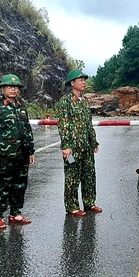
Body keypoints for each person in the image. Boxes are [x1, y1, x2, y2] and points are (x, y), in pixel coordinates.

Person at [0, 74, 36, 229]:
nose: (14, 89)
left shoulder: (21, 106)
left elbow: (27, 129)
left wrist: (31, 151)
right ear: (3, 88)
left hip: (22, 153)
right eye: (10, 86)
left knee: (20, 184)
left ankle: (15, 213)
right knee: (2, 185)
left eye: (16, 87)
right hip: (4, 154)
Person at [55, 69, 101, 216]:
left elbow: (88, 124)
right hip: (73, 149)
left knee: (89, 175)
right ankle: (72, 206)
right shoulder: (64, 102)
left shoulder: (84, 101)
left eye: (84, 80)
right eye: (80, 80)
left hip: (86, 147)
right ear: (72, 83)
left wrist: (93, 142)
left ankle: (89, 203)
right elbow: (63, 125)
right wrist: (66, 146)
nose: (83, 82)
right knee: (72, 178)